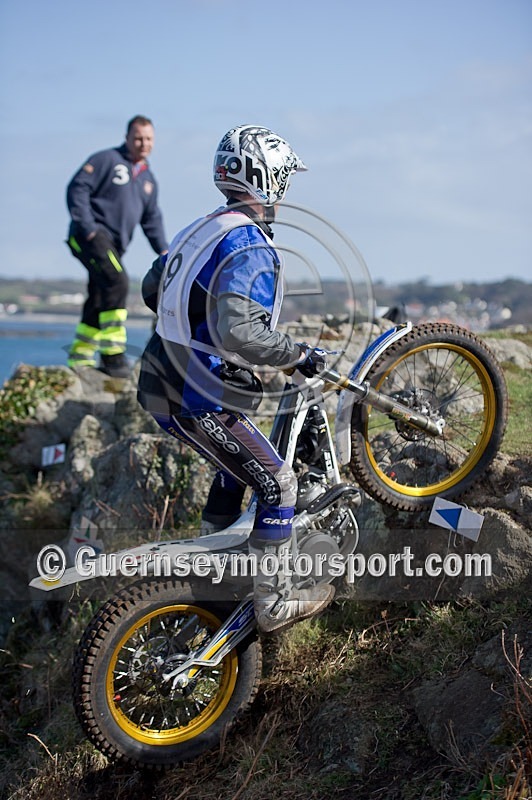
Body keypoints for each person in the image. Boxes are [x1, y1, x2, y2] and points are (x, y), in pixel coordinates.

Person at [137, 124, 334, 635]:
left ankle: (216, 575)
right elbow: (242, 331)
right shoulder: (249, 245)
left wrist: (197, 325)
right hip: (194, 395)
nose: (287, 189)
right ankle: (274, 601)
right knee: (279, 482)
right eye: (284, 177)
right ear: (266, 177)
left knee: (235, 471)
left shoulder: (202, 227)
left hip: (160, 376)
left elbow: (150, 287)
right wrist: (297, 354)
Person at [65, 115, 168, 377]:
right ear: (127, 138)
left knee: (99, 294)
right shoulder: (106, 160)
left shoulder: (148, 179)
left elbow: (151, 218)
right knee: (119, 281)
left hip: (115, 244)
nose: (143, 143)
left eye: (148, 139)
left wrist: (164, 250)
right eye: (138, 138)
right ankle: (113, 357)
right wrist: (88, 228)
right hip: (91, 236)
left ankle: (80, 357)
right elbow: (77, 188)